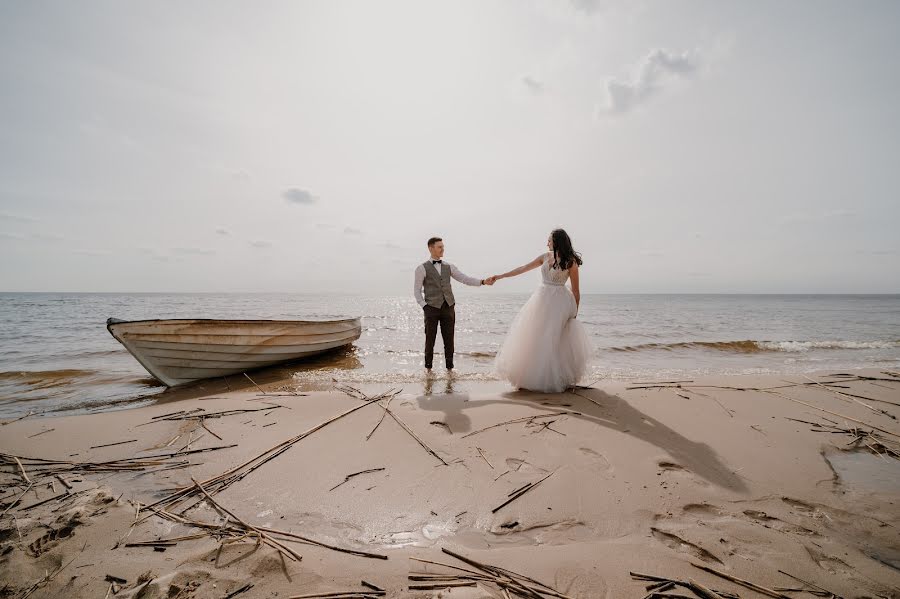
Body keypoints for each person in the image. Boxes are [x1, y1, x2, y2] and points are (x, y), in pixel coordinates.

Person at [490, 229, 592, 392]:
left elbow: (576, 291)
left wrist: (574, 312)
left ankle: (552, 379)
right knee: (534, 336)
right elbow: (523, 268)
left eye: (549, 240)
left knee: (552, 339)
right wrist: (501, 276)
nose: (547, 243)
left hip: (560, 303)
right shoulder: (545, 257)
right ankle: (528, 378)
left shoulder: (571, 262)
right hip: (541, 300)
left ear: (557, 241)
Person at [413, 237, 494, 374]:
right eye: (439, 247)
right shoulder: (421, 268)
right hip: (431, 308)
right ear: (430, 248)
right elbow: (416, 290)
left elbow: (464, 279)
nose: (442, 249)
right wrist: (424, 306)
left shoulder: (449, 266)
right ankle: (428, 369)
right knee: (430, 339)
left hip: (448, 307)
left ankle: (449, 369)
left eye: (443, 247)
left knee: (449, 339)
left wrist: (483, 282)